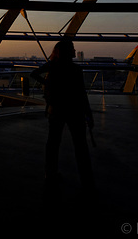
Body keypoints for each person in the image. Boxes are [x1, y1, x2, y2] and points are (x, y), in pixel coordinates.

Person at [31, 39, 95, 196]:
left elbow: (33, 74)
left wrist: (47, 82)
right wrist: (88, 113)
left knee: (53, 142)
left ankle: (50, 172)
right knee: (80, 145)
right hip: (75, 111)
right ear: (67, 51)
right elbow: (81, 94)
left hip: (56, 109)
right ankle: (86, 178)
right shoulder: (76, 70)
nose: (75, 50)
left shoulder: (53, 66)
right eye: (72, 48)